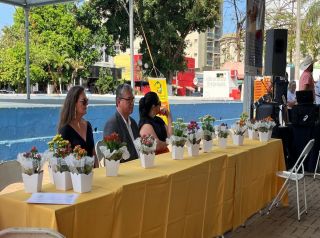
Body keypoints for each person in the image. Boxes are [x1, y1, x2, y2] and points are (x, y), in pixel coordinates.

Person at [58, 85, 98, 167]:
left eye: (87, 101)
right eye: (83, 101)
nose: (86, 104)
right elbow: (63, 161)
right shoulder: (65, 129)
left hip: (92, 174)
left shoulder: (88, 125)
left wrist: (98, 171)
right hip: (76, 177)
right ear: (73, 103)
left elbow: (93, 154)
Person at [103, 84, 139, 162]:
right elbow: (112, 157)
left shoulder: (133, 123)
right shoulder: (112, 124)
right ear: (118, 101)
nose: (132, 103)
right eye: (128, 99)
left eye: (133, 99)